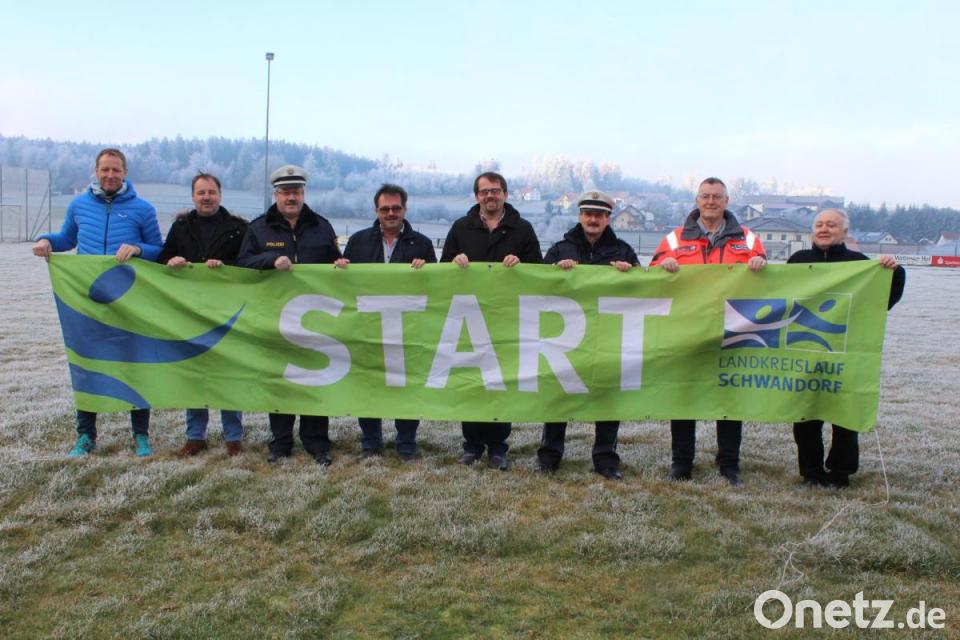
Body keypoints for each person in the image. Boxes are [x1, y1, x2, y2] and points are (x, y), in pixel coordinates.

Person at [32, 148, 163, 458]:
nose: (110, 175)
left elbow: (159, 249)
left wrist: (138, 249)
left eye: (116, 170)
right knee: (86, 366)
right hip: (87, 303)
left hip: (128, 302)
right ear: (96, 171)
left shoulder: (143, 209)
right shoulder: (78, 205)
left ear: (125, 173)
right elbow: (67, 239)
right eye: (105, 169)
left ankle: (141, 436)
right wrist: (47, 240)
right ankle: (85, 436)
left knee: (134, 366)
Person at [650, 177, 767, 485]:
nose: (711, 201)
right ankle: (681, 463)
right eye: (705, 196)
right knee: (684, 395)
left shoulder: (749, 239)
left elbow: (768, 281)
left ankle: (729, 463)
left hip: (733, 329)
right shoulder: (674, 239)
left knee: (729, 398)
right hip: (686, 329)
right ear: (697, 200)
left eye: (717, 196)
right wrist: (664, 267)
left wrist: (760, 264)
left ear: (727, 201)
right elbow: (650, 277)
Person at [788, 208, 905, 488]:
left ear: (844, 232)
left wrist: (895, 272)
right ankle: (811, 472)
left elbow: (882, 301)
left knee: (845, 415)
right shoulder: (797, 261)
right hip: (804, 349)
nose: (824, 229)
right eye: (819, 224)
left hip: (845, 351)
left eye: (831, 225)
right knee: (805, 414)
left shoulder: (859, 263)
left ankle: (841, 472)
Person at [236, 165, 342, 465]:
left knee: (314, 380)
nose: (291, 197)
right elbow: (242, 263)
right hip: (275, 316)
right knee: (280, 380)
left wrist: (341, 265)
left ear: (303, 193)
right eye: (285, 192)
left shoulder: (322, 226)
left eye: (296, 191)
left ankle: (317, 441)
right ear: (276, 195)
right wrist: (271, 260)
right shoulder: (258, 228)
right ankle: (280, 441)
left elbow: (335, 262)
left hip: (315, 320)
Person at [440, 171, 542, 470]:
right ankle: (471, 445)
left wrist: (522, 265)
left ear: (505, 194)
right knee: (472, 381)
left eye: (495, 190)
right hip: (469, 318)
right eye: (484, 191)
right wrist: (454, 263)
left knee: (500, 381)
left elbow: (539, 270)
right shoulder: (461, 227)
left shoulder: (523, 229)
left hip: (507, 318)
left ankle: (498, 447)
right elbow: (442, 269)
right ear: (477, 196)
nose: (490, 196)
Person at [537, 191, 639, 480]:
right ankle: (549, 455)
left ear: (608, 218)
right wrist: (555, 272)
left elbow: (643, 290)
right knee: (558, 395)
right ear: (580, 216)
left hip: (607, 336)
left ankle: (605, 459)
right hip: (565, 337)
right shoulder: (560, 249)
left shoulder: (623, 251)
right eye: (588, 214)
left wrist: (631, 273)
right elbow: (538, 287)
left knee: (607, 395)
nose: (593, 219)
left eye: (599, 215)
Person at [334, 183, 436, 461]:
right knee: (368, 384)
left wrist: (426, 271)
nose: (391, 213)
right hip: (366, 328)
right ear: (376, 210)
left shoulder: (422, 243)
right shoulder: (358, 241)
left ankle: (406, 443)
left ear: (405, 209)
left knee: (407, 386)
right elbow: (343, 284)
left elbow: (436, 288)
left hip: (408, 330)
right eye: (385, 209)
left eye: (396, 208)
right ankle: (371, 442)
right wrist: (340, 268)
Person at [158, 172, 249, 457]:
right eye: (201, 192)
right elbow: (163, 257)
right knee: (194, 373)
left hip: (227, 311)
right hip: (191, 311)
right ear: (193, 196)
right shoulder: (181, 226)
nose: (206, 197)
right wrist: (171, 260)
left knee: (228, 373)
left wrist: (226, 266)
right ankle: (195, 436)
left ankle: (233, 437)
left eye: (211, 192)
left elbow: (248, 263)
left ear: (220, 195)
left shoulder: (238, 228)